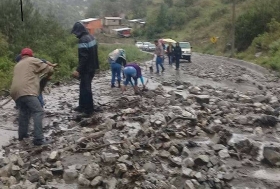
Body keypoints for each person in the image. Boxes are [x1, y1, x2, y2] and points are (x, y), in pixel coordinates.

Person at [10, 48, 54, 145]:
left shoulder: (18, 64)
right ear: (31, 55)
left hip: (15, 92)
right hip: (27, 90)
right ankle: (38, 139)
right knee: (38, 111)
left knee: (24, 112)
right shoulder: (32, 60)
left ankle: (22, 136)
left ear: (22, 55)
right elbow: (49, 69)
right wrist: (50, 72)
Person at [71, 22, 99, 115]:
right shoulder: (91, 37)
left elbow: (84, 57)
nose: (75, 35)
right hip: (93, 67)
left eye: (75, 32)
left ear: (79, 31)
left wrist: (78, 70)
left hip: (86, 68)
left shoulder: (83, 40)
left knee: (86, 88)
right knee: (83, 87)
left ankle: (88, 110)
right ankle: (82, 106)